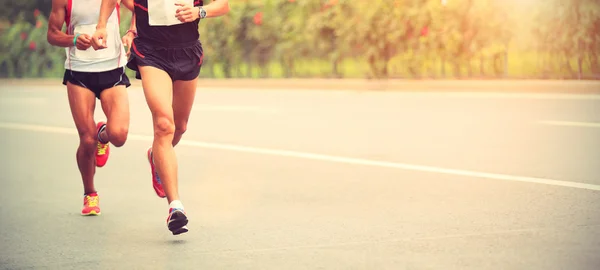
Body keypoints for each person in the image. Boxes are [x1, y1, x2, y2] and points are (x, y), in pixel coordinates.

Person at [93, 0, 230, 235]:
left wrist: (199, 11)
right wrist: (101, 25)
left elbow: (224, 5)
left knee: (180, 126)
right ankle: (175, 206)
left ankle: (155, 155)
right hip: (151, 53)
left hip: (187, 51)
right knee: (164, 125)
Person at [47, 0, 131, 216]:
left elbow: (142, 7)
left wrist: (132, 31)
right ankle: (90, 193)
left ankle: (103, 135)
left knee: (119, 135)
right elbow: (52, 34)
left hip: (112, 69)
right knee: (86, 139)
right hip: (79, 73)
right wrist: (73, 40)